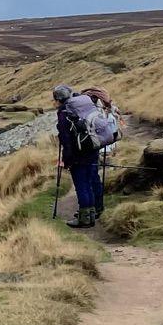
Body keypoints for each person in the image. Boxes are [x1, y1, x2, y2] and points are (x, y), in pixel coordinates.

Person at [54, 83, 107, 227]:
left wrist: (67, 159)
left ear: (59, 99)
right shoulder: (84, 105)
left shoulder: (65, 112)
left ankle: (85, 218)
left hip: (79, 154)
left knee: (82, 184)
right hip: (93, 147)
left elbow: (66, 138)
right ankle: (95, 209)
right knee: (92, 179)